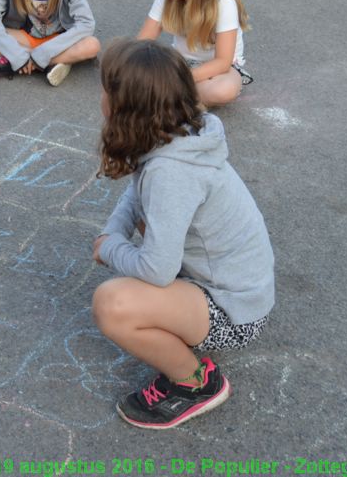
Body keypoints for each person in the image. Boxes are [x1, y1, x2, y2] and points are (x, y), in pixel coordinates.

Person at [91, 38, 274, 430]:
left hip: (234, 309)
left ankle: (196, 383)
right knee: (137, 254)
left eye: (106, 90)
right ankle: (185, 333)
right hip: (230, 284)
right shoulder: (176, 133)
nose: (101, 97)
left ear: (127, 108)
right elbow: (137, 192)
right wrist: (113, 232)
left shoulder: (172, 173)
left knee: (112, 304)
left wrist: (111, 250)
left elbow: (156, 270)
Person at [137, 0, 253, 107]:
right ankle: (181, 98)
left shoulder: (224, 3)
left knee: (223, 90)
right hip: (181, 63)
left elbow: (222, 62)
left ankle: (166, 95)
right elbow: (142, 42)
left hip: (218, 71)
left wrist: (179, 79)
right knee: (132, 70)